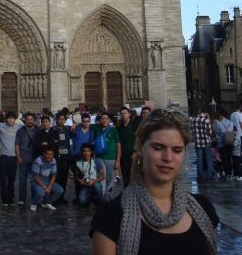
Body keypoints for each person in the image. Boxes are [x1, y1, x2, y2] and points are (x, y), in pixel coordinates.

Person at [90, 109, 219, 254]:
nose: (168, 157)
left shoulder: (205, 210)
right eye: (158, 148)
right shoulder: (110, 216)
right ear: (140, 148)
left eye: (177, 150)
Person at [91, 112, 121, 197]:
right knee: (101, 178)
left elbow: (118, 145)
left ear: (109, 120)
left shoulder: (114, 130)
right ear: (99, 120)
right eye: (102, 118)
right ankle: (102, 197)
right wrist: (75, 124)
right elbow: (85, 124)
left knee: (110, 179)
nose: (104, 120)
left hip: (111, 158)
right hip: (99, 158)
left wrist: (118, 161)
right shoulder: (96, 128)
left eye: (106, 118)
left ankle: (108, 196)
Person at [15, 112, 39, 205]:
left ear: (34, 120)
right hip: (23, 158)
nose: (29, 121)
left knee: (34, 180)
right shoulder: (20, 130)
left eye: (31, 119)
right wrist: (18, 156)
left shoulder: (38, 130)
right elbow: (17, 144)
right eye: (28, 119)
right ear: (25, 120)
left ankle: (34, 198)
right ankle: (22, 199)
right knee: (22, 179)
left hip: (35, 159)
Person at [0, 111, 20, 205]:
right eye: (9, 118)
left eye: (12, 118)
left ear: (15, 120)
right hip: (4, 157)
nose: (11, 120)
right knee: (3, 179)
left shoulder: (18, 128)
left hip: (14, 157)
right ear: (6, 119)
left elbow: (28, 125)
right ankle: (4, 199)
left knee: (12, 179)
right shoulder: (0, 126)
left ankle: (11, 198)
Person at [30, 147, 63, 211]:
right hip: (36, 181)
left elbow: (54, 175)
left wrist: (50, 186)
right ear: (43, 154)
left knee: (60, 190)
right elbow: (35, 176)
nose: (49, 156)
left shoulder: (53, 160)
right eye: (47, 154)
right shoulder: (38, 160)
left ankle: (46, 203)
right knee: (41, 193)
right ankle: (34, 203)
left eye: (51, 154)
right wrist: (45, 187)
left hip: (47, 180)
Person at [74, 143, 105, 208]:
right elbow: (76, 176)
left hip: (95, 182)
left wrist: (94, 181)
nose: (86, 153)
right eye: (84, 151)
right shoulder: (78, 163)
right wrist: (80, 181)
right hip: (85, 185)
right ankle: (90, 198)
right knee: (82, 201)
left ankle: (100, 200)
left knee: (97, 186)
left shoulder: (97, 161)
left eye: (88, 151)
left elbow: (103, 175)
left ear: (91, 152)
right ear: (82, 152)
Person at [53, 112, 73, 203]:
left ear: (65, 120)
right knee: (56, 177)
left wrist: (76, 124)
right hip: (56, 157)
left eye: (63, 119)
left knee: (64, 178)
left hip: (65, 157)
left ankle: (62, 197)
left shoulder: (68, 129)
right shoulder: (53, 130)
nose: (61, 121)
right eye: (59, 119)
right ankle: (55, 196)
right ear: (57, 120)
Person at [190, 107, 214, 183]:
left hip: (197, 142)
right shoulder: (206, 120)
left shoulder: (193, 120)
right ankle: (209, 177)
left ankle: (200, 176)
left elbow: (191, 131)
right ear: (205, 112)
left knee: (199, 160)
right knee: (208, 159)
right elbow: (210, 132)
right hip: (206, 142)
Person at [117, 106, 136, 187]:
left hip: (133, 154)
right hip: (123, 155)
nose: (124, 115)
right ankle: (126, 194)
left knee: (134, 175)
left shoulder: (134, 125)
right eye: (122, 114)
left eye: (125, 113)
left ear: (129, 114)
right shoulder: (119, 126)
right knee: (125, 176)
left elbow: (139, 138)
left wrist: (136, 151)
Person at [214, 108, 234, 179]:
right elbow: (231, 131)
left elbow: (216, 132)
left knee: (223, 159)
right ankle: (229, 174)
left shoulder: (218, 122)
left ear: (221, 115)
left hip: (221, 144)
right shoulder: (231, 122)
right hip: (230, 142)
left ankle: (225, 174)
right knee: (229, 158)